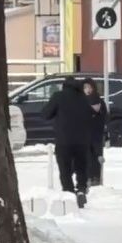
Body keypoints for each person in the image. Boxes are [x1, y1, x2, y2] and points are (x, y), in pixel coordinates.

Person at [44, 77, 96, 207]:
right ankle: (81, 189)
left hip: (64, 140)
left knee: (65, 169)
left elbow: (45, 114)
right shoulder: (83, 98)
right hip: (82, 141)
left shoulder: (58, 96)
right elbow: (91, 115)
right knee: (81, 168)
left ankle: (69, 193)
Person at [84, 78, 107, 186]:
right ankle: (91, 178)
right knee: (89, 156)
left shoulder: (97, 101)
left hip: (96, 132)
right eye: (85, 87)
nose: (87, 90)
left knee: (95, 155)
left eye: (89, 87)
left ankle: (95, 178)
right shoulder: (82, 100)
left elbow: (104, 116)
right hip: (88, 133)